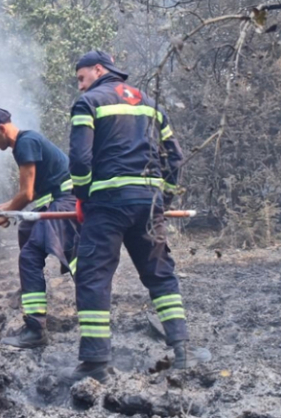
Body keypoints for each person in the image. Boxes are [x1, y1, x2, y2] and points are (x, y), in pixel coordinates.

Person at [68, 50, 195, 382]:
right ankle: (182, 350)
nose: (80, 87)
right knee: (160, 275)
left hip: (107, 205)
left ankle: (96, 361)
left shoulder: (89, 104)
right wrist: (163, 198)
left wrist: (83, 196)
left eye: (82, 78)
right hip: (149, 205)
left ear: (98, 70)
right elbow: (175, 158)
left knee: (93, 277)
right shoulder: (152, 105)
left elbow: (80, 161)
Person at [0, 108, 79, 348]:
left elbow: (26, 193)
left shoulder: (25, 143)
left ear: (1, 128)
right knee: (26, 232)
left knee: (31, 256)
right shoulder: (26, 143)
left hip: (64, 202)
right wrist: (3, 209)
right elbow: (33, 193)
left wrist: (5, 212)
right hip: (55, 201)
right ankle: (32, 295)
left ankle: (35, 329)